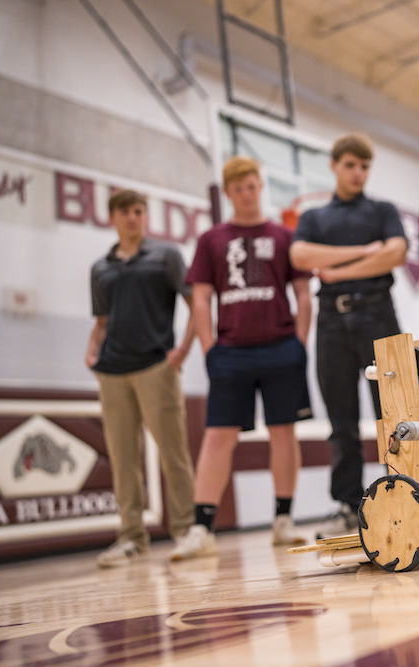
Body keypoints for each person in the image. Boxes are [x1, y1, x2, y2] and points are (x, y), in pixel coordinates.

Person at [171, 156, 314, 560]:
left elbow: (303, 293)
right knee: (218, 436)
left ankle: (283, 520)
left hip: (281, 347)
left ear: (260, 186)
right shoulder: (211, 239)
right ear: (228, 192)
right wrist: (207, 346)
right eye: (238, 188)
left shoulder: (284, 236)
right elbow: (200, 297)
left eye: (252, 186)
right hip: (230, 351)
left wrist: (300, 342)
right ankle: (202, 528)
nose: (247, 194)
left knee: (283, 432)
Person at [290, 134, 407, 537]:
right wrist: (363, 254)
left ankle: (403, 493)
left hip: (378, 314)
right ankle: (347, 504)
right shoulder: (315, 217)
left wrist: (336, 269)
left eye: (364, 166)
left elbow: (396, 252)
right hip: (331, 322)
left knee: (393, 413)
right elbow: (301, 257)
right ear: (335, 166)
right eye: (350, 165)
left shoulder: (383, 209)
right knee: (341, 420)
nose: (358, 172)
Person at [87, 190, 197, 568]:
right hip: (112, 372)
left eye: (138, 211)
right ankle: (131, 537)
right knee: (122, 458)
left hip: (156, 367)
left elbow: (194, 303)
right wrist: (91, 350)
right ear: (112, 217)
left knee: (173, 453)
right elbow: (102, 321)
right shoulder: (100, 268)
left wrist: (183, 349)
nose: (132, 217)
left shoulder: (166, 256)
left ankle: (185, 530)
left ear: (145, 216)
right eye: (125, 211)